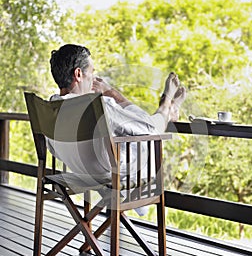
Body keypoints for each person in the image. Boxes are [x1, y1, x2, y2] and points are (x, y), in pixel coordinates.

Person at [48, 44, 186, 213]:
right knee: (150, 131)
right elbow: (149, 128)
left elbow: (53, 150)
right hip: (108, 174)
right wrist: (110, 92)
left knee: (117, 135)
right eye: (91, 72)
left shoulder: (50, 108)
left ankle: (167, 110)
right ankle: (166, 108)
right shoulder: (96, 104)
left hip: (79, 172)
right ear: (78, 74)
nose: (93, 78)